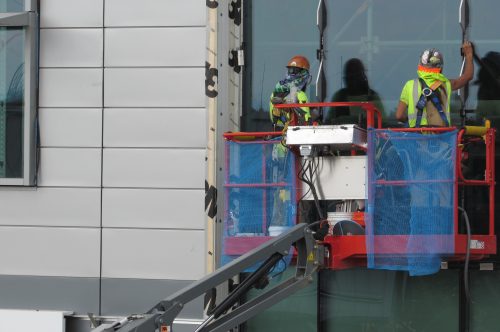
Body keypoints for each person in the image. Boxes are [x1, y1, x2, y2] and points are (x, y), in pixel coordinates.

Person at [396, 41, 474, 127]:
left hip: (416, 137)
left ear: (420, 65)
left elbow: (399, 115)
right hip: (440, 137)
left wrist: (409, 121)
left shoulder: (409, 85)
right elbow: (467, 76)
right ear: (440, 67)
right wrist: (469, 55)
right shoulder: (446, 84)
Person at [325, 58, 384, 126]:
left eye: (356, 74)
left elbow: (382, 124)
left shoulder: (373, 97)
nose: (354, 80)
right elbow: (328, 123)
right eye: (350, 75)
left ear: (363, 76)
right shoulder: (339, 97)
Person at [269, 55, 312, 129]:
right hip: (295, 135)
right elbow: (306, 122)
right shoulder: (299, 94)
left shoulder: (274, 93)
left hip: (276, 133)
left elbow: (273, 118)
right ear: (304, 76)